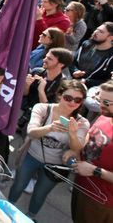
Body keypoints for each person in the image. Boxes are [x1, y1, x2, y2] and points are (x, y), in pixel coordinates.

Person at [8, 80, 90, 219]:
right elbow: (31, 132)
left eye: (77, 100)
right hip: (32, 155)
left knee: (40, 194)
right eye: (68, 98)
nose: (72, 103)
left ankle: (30, 217)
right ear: (59, 95)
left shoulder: (82, 122)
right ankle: (7, 208)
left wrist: (73, 134)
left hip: (56, 165)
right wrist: (50, 127)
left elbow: (76, 148)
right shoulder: (43, 108)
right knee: (18, 185)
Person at [66, 80, 113, 222]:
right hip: (83, 187)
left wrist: (95, 170)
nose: (100, 106)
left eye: (106, 102)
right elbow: (90, 135)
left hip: (102, 202)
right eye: (99, 99)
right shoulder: (105, 115)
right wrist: (75, 150)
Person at [73, 22, 113, 88]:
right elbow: (73, 61)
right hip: (73, 83)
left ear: (111, 38)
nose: (96, 32)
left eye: (101, 32)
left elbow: (108, 80)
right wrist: (75, 71)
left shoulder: (111, 56)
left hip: (93, 91)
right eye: (97, 29)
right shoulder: (86, 44)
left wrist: (87, 82)